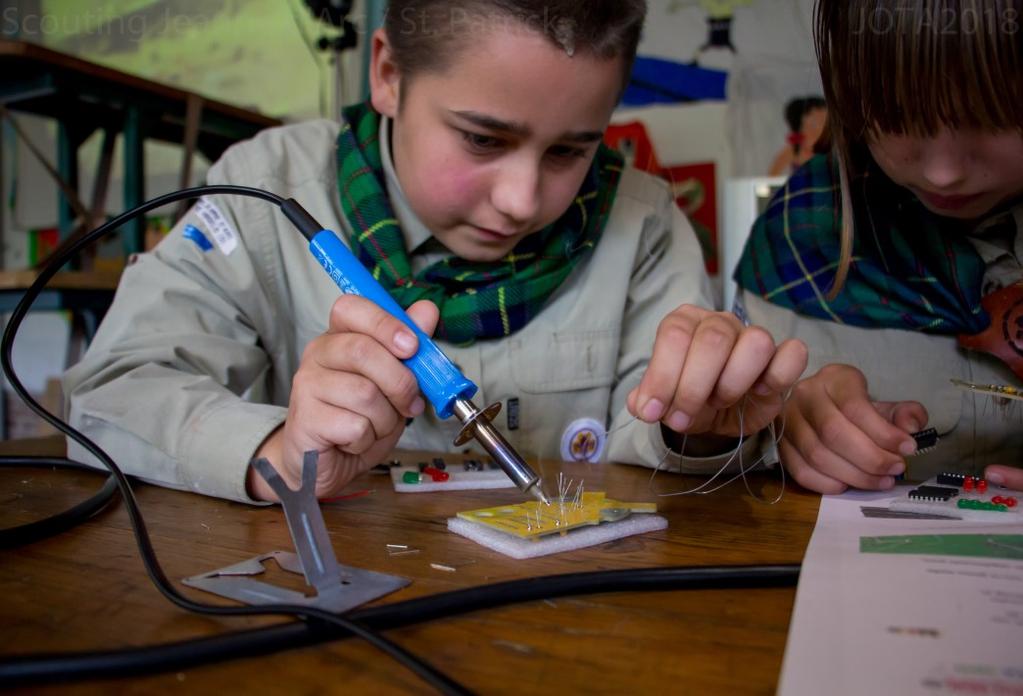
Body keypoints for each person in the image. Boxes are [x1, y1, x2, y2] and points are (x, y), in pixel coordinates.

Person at [64, 0, 806, 503]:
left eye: (571, 150)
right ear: (387, 75)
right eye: (483, 139)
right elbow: (112, 392)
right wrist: (277, 453)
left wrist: (697, 426)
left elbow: (668, 444)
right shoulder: (264, 191)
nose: (520, 198)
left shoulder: (643, 226)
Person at [735, 0, 1023, 494]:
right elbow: (732, 447)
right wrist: (785, 429)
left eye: (992, 115)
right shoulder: (801, 244)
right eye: (896, 115)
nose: (943, 172)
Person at [767, 96, 827, 177]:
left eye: (825, 120)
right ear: (800, 123)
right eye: (817, 121)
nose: (823, 125)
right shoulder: (793, 151)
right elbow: (771, 178)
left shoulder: (830, 149)